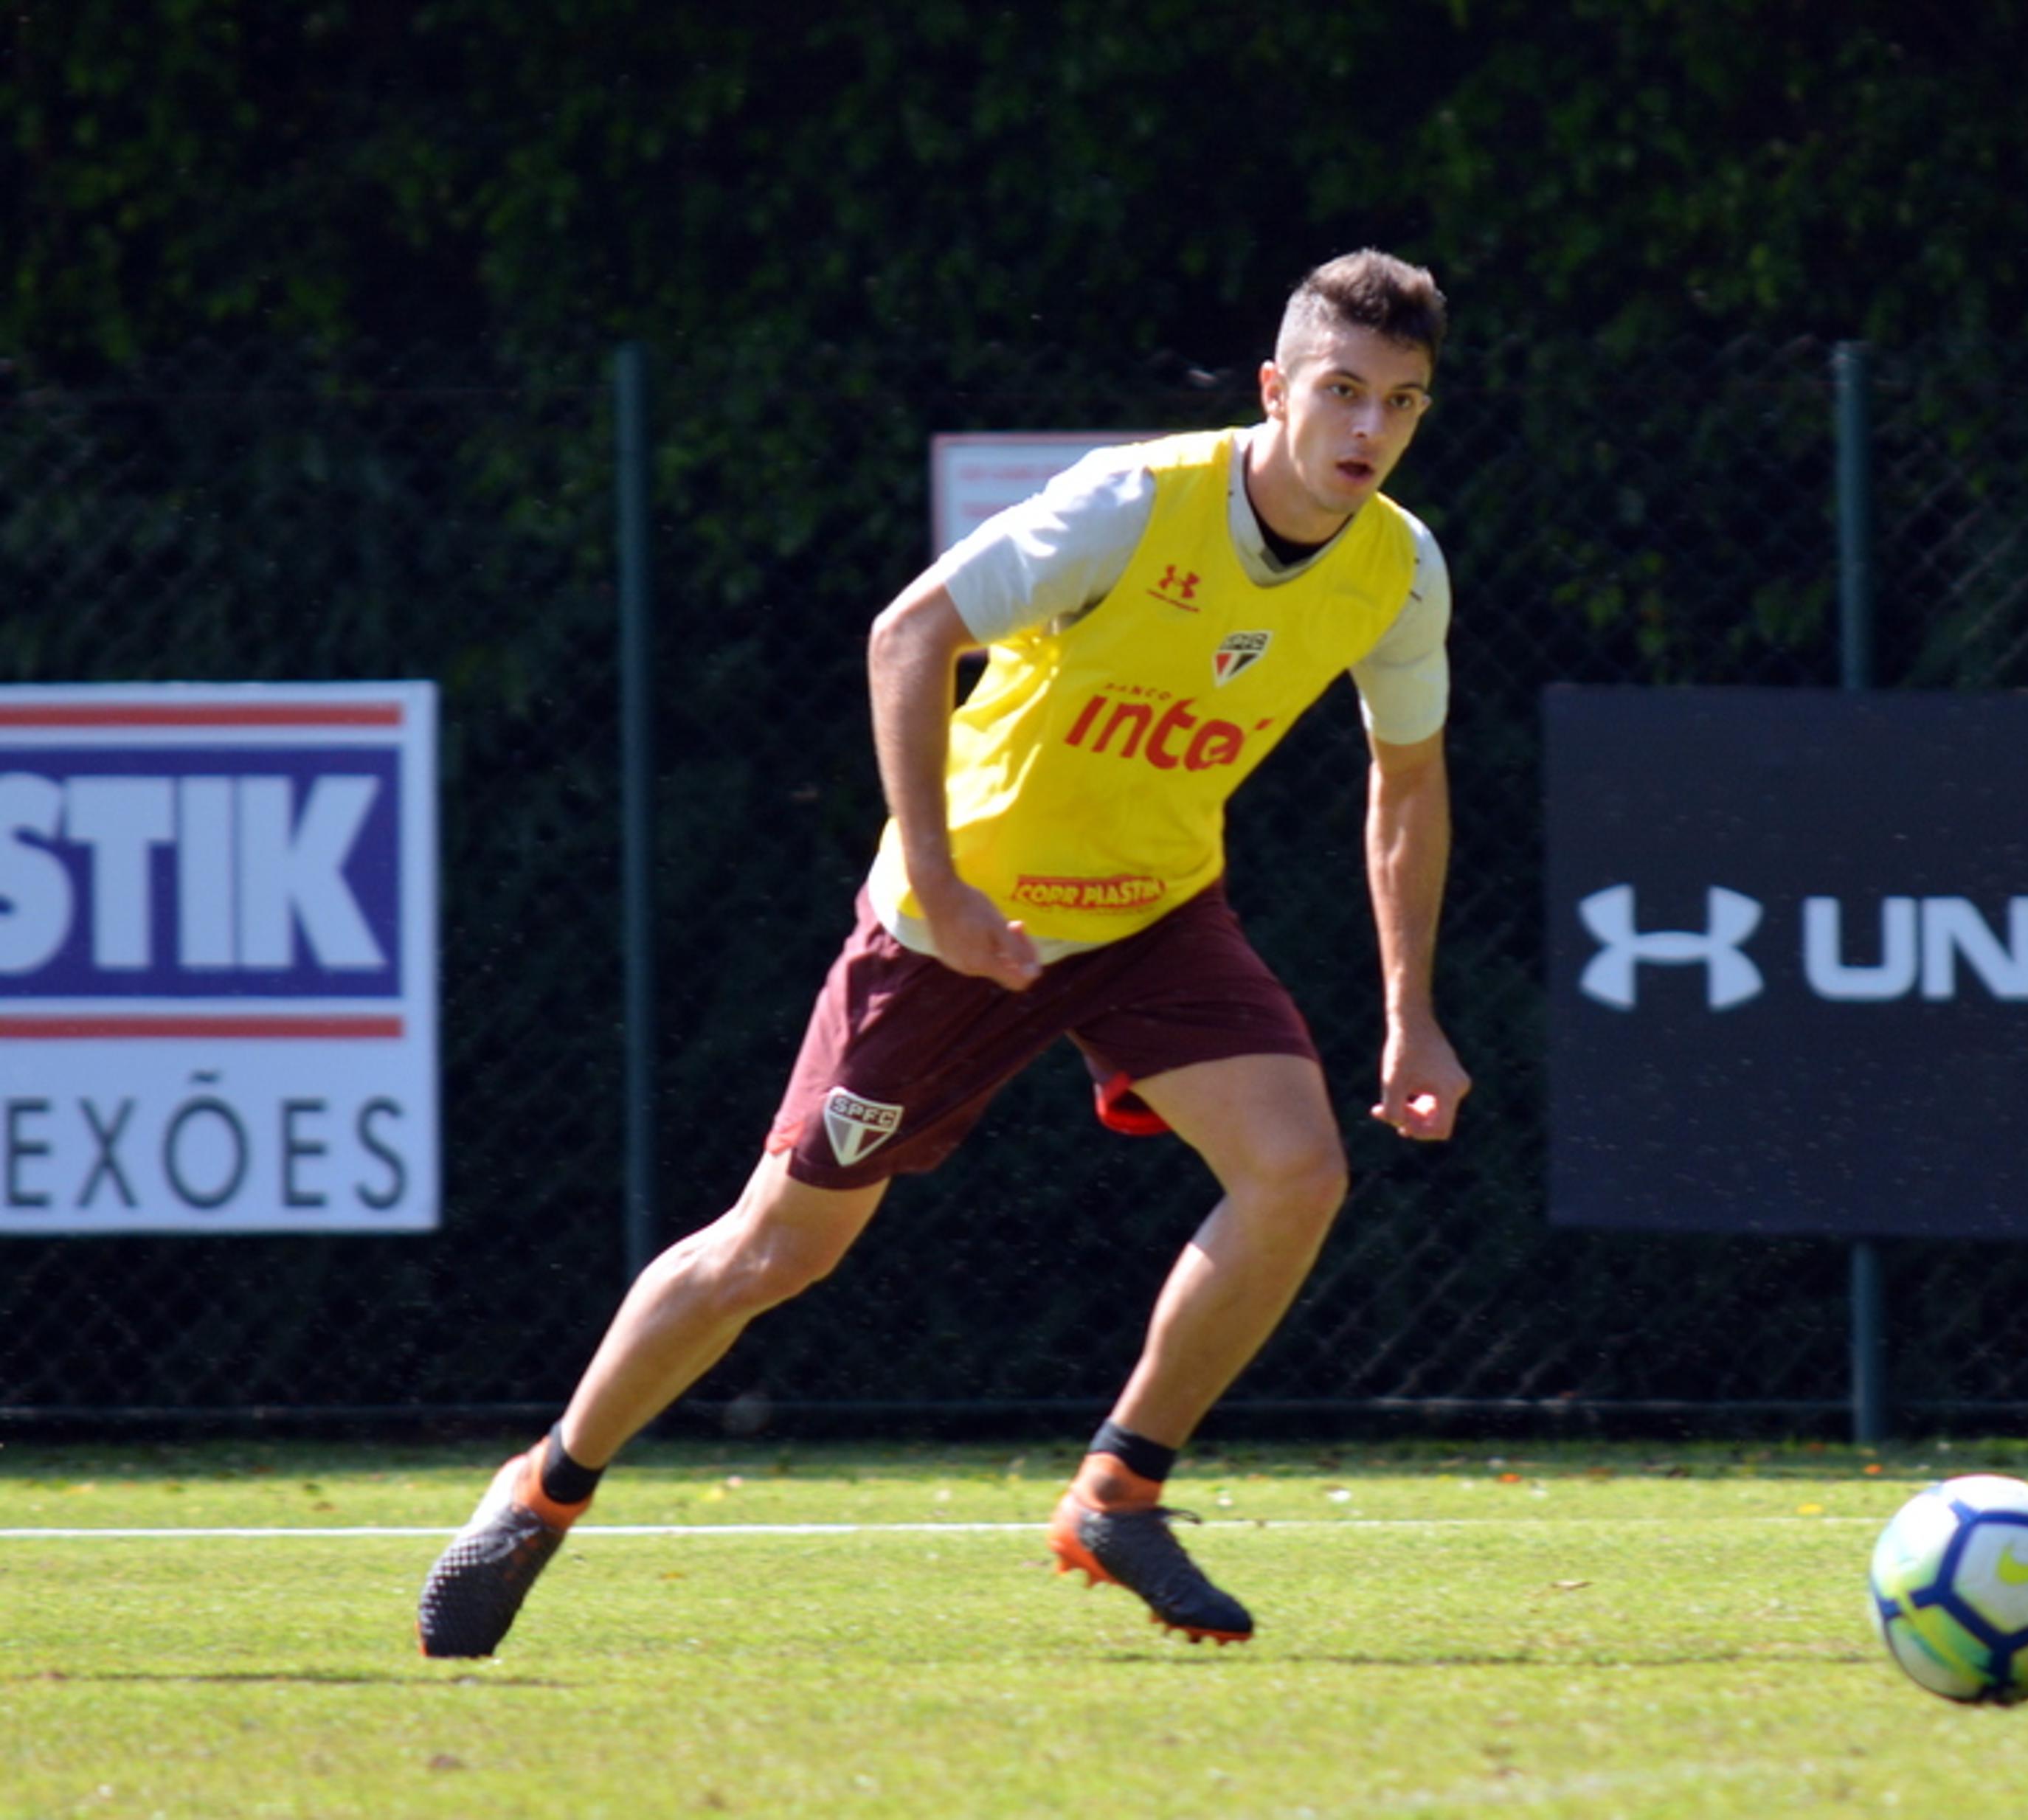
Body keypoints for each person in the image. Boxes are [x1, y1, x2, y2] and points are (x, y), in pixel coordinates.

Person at [417, 249, 1469, 1655]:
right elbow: (908, 632)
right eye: (1339, 392)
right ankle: (540, 1492)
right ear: (1277, 389)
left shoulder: (1400, 573)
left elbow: (1407, 782)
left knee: (1298, 1169)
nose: (1363, 431)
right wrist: (938, 879)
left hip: (1155, 912)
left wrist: (1413, 1013)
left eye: (1397, 404)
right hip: (956, 925)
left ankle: (1121, 1489)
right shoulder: (1131, 505)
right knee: (773, 1253)